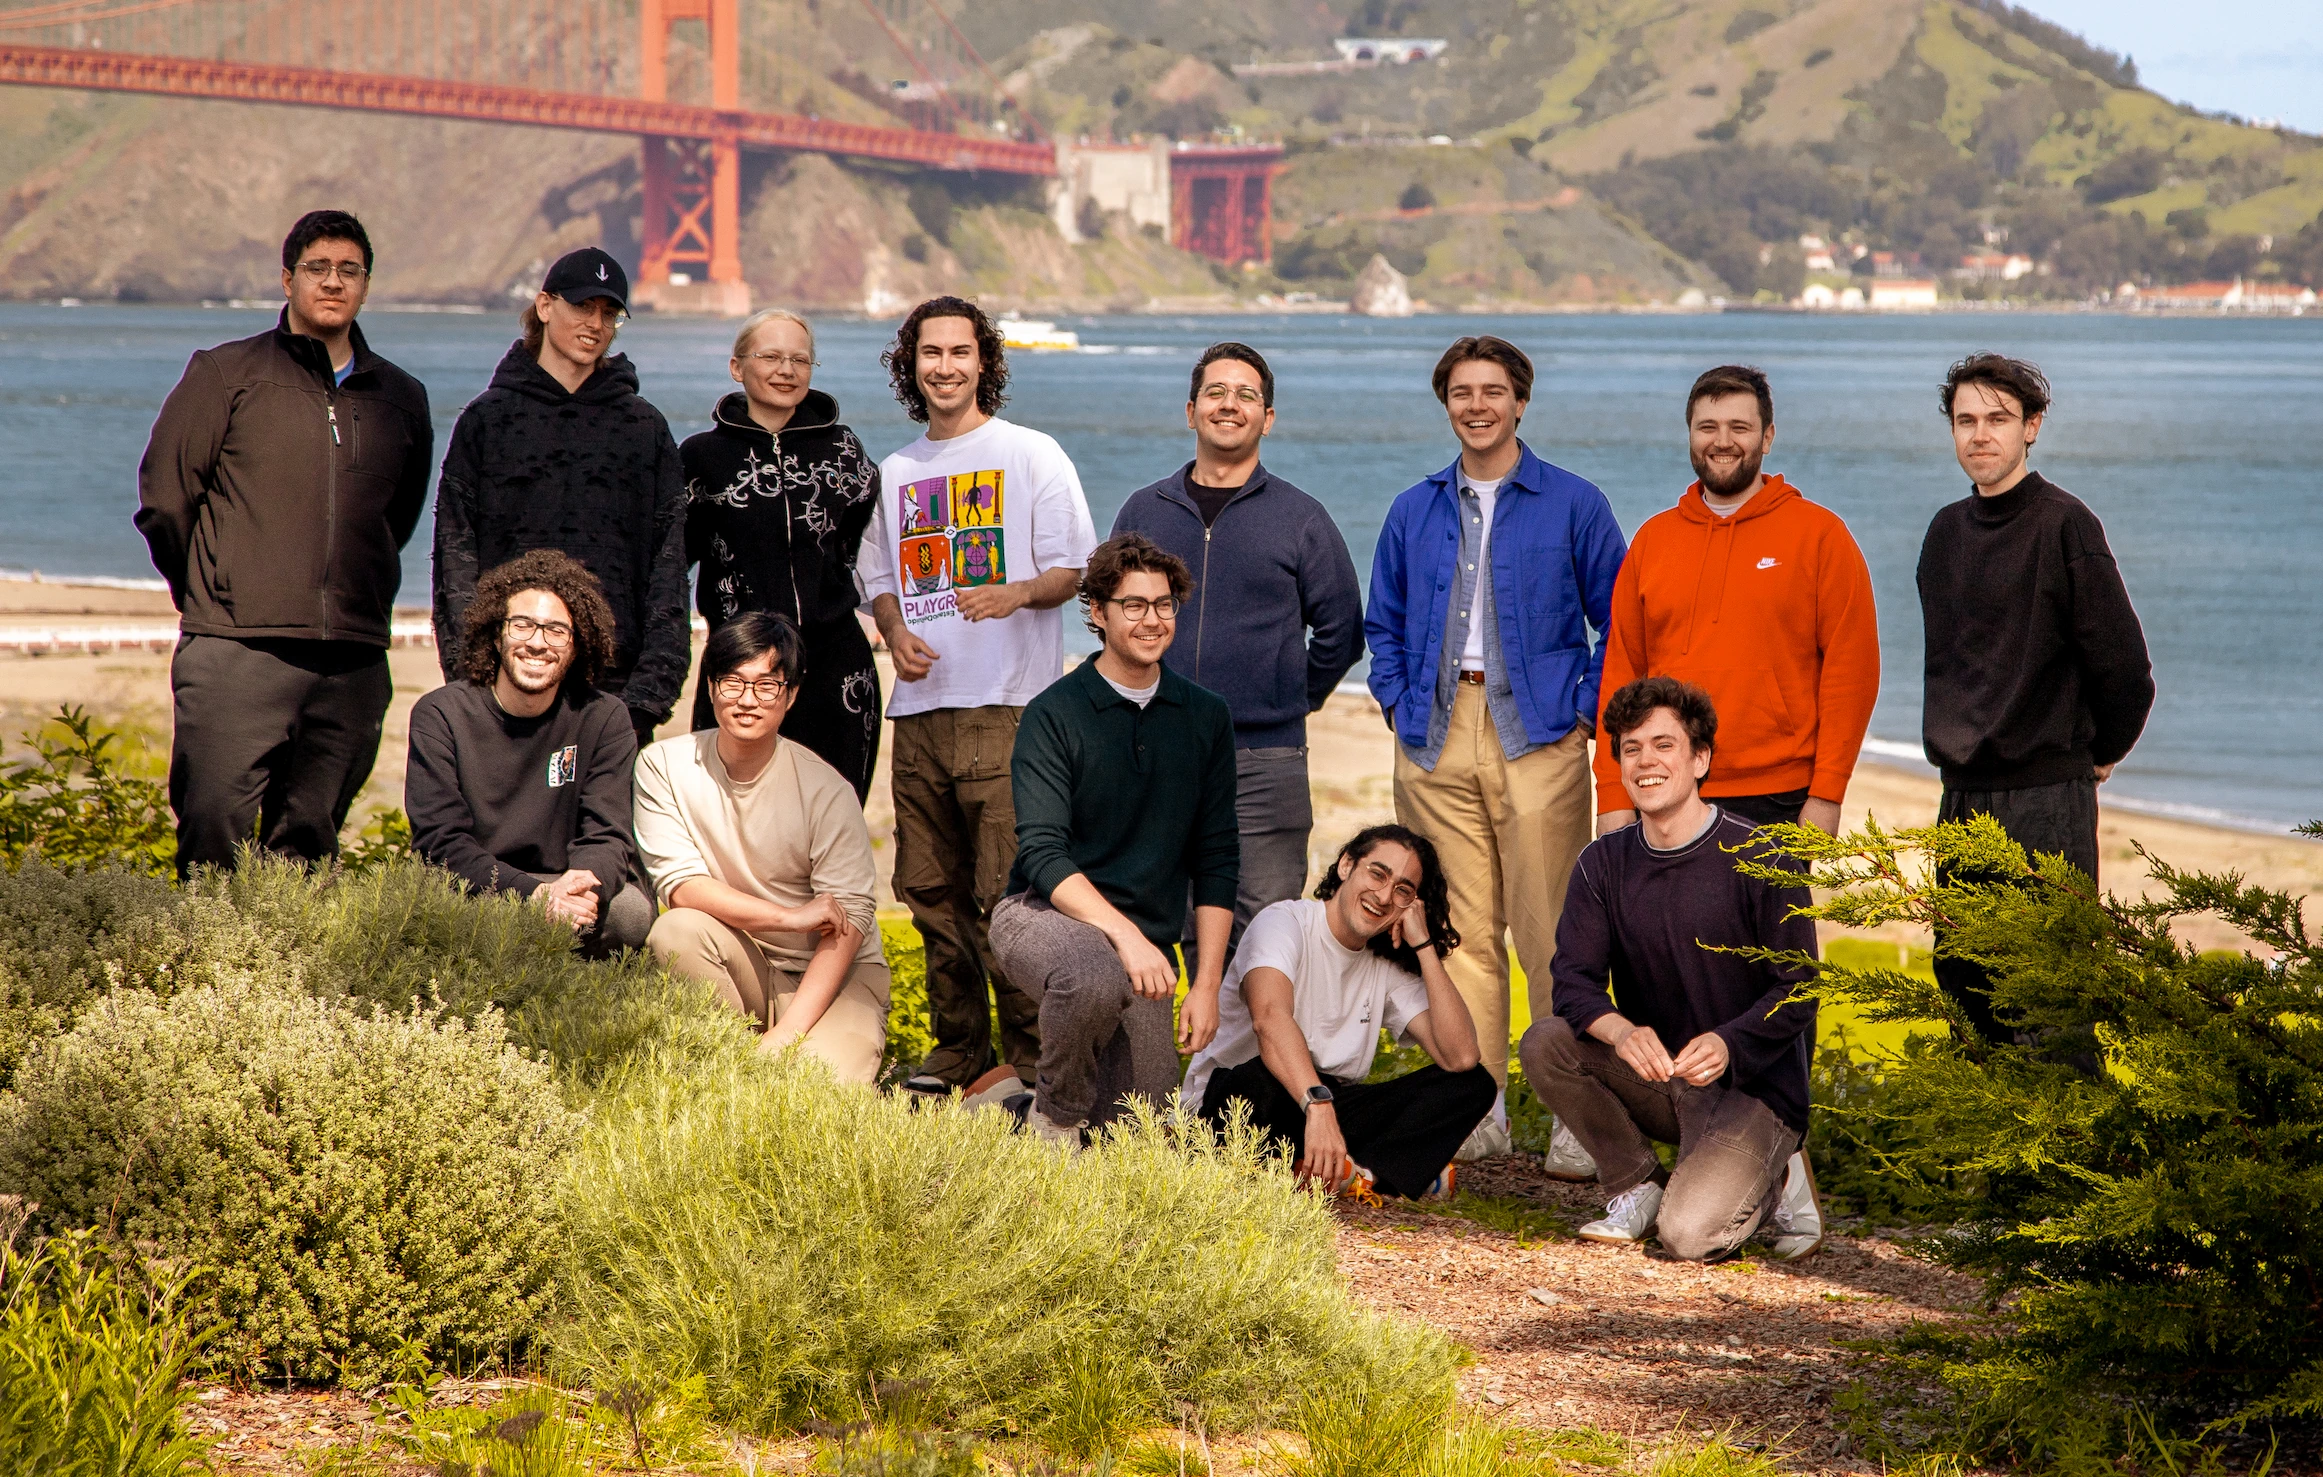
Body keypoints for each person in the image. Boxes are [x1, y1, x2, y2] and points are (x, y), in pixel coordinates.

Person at [1364, 334, 1628, 1163]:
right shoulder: (1414, 508)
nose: (1476, 405)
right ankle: (1475, 1109)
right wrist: (1397, 701)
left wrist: (1583, 708)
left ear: (1520, 401)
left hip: (1538, 736)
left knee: (1550, 932)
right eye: (1461, 393)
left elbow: (1618, 618)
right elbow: (1383, 622)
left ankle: (1577, 1119)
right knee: (1460, 932)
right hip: (1435, 736)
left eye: (1493, 391)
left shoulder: (1574, 503)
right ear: (1445, 403)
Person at [136, 209, 434, 876]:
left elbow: (396, 517)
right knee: (214, 831)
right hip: (237, 648)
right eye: (317, 268)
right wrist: (213, 591)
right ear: (287, 278)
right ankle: (204, 973)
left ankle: (284, 978)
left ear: (366, 283)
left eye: (348, 270)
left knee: (308, 849)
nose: (333, 282)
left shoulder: (401, 399)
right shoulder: (225, 374)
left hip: (351, 660)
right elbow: (164, 499)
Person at [855, 296, 1097, 1098]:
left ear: (985, 362)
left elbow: (1078, 569)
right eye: (931, 353)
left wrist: (1016, 593)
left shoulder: (1031, 455)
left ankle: (1033, 1068)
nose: (945, 367)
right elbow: (880, 579)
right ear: (910, 364)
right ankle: (956, 1053)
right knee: (930, 894)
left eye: (961, 352)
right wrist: (892, 632)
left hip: (1010, 710)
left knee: (1008, 896)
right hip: (919, 712)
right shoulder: (895, 472)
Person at [1517, 676, 1824, 1262]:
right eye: (1631, 748)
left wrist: (1730, 1043)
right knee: (1546, 1043)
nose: (1645, 761)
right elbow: (1573, 984)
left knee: (1688, 1237)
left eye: (1664, 745)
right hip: (1663, 1077)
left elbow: (1800, 988)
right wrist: (1622, 1031)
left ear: (1700, 758)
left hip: (1750, 1088)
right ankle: (1636, 1186)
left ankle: (1779, 1175)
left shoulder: (1762, 856)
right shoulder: (1602, 864)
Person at [1917, 354, 2153, 1043]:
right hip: (1960, 797)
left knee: (2051, 1012)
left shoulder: (2064, 526)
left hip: (2046, 801)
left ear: (2032, 427)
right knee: (1967, 998)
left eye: (1997, 418)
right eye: (1965, 420)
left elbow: (2125, 669)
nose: (1979, 434)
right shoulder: (1944, 534)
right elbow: (1953, 668)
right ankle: (1986, 1152)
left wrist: (2099, 753)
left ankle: (2075, 1153)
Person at [1110, 342, 1364, 946]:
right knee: (1153, 927)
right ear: (1191, 409)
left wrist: (1288, 695)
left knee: (1264, 932)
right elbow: (1110, 618)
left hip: (1264, 760)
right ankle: (1173, 1046)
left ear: (1267, 418)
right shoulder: (1144, 510)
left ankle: (1252, 1047)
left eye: (1247, 395)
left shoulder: (1301, 517)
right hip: (1152, 748)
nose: (1231, 405)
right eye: (1217, 393)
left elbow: (1343, 628)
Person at [987, 534, 1237, 1143]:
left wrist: (1206, 987)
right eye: (1133, 605)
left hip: (1141, 951)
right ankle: (1052, 1123)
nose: (1152, 619)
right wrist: (1126, 937)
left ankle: (1002, 1110)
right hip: (1040, 914)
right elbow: (1042, 855)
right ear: (1097, 613)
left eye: (1164, 604)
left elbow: (1217, 856)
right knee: (1093, 976)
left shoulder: (1205, 717)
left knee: (1143, 1140)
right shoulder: (1055, 713)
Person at [1594, 365, 1879, 836]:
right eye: (1707, 427)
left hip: (1778, 794)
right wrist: (1612, 796)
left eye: (1739, 428)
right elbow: (1622, 674)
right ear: (1690, 435)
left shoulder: (1820, 536)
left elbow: (1853, 672)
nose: (1721, 441)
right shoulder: (1654, 540)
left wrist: (1827, 794)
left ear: (1767, 438)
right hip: (1666, 786)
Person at [432, 247, 690, 750]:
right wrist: (473, 680)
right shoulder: (487, 420)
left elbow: (668, 569)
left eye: (609, 313)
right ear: (545, 306)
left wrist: (647, 701)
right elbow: (454, 559)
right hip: (507, 685)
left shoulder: (645, 428)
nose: (595, 323)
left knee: (607, 832)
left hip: (615, 696)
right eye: (581, 307)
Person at [633, 613, 890, 1084]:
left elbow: (848, 921)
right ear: (710, 688)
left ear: (790, 695)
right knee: (676, 933)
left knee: (816, 1100)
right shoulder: (663, 766)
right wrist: (790, 917)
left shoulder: (826, 790)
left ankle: (768, 1061)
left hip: (835, 978)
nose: (747, 700)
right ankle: (727, 1065)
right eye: (733, 682)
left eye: (766, 686)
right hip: (743, 964)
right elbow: (681, 888)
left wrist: (785, 1036)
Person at [1186, 825, 1497, 1201]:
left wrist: (1424, 945)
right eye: (1377, 874)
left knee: (1473, 1084)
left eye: (1402, 890)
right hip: (1241, 1100)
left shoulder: (1385, 963)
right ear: (1347, 865)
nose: (1383, 896)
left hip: (1326, 1108)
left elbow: (1460, 1056)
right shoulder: (1284, 922)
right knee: (1257, 1082)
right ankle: (1374, 1171)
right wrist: (1317, 1104)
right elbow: (1269, 1017)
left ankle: (1342, 1172)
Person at [404, 550, 651, 953]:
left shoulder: (603, 717)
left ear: (577, 644)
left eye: (556, 630)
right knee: (440, 913)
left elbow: (608, 833)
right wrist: (533, 896)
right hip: (482, 887)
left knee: (628, 915)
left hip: (568, 884)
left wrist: (577, 886)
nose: (537, 643)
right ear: (497, 633)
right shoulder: (441, 714)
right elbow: (441, 841)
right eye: (522, 626)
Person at [680, 308, 882, 800]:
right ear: (736, 367)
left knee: (833, 821)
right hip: (739, 666)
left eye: (800, 359)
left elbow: (864, 543)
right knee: (729, 820)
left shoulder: (843, 450)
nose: (786, 370)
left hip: (836, 667)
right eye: (769, 356)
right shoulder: (700, 457)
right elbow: (672, 560)